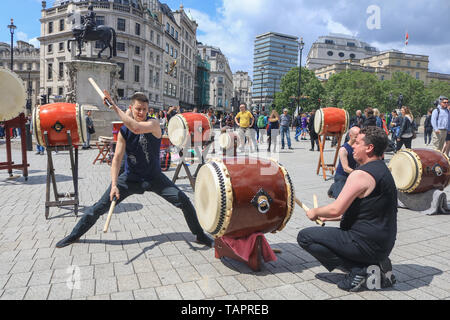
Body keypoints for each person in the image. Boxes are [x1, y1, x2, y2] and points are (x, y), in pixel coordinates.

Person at [55, 92, 213, 249]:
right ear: (131, 108)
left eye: (144, 109)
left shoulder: (154, 124)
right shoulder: (124, 131)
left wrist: (113, 107)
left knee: (184, 201)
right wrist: (115, 184)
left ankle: (199, 235)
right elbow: (116, 159)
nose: (142, 112)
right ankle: (74, 235)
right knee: (99, 207)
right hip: (130, 178)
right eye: (138, 109)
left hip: (154, 177)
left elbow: (136, 128)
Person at [298, 126, 397, 292]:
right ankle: (375, 264)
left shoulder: (360, 175)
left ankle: (358, 270)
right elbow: (366, 210)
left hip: (365, 243)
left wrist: (314, 212)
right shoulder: (383, 170)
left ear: (369, 147)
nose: (352, 147)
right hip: (384, 243)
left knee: (305, 237)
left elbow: (336, 209)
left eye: (357, 143)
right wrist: (330, 219)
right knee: (326, 234)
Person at [327, 126, 360, 199]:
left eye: (359, 137)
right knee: (340, 198)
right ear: (350, 136)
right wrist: (358, 173)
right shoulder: (343, 149)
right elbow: (345, 168)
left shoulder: (359, 147)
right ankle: (334, 186)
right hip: (342, 176)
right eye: (356, 137)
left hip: (352, 175)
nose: (358, 139)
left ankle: (335, 186)